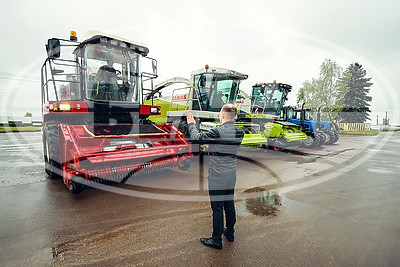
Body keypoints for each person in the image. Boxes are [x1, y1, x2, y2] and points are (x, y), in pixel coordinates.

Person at [186, 104, 244, 250]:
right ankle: (230, 233)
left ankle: (216, 240)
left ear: (223, 115)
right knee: (229, 203)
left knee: (217, 207)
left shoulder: (217, 131)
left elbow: (195, 138)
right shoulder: (240, 132)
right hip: (231, 174)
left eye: (219, 113)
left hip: (217, 175)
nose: (219, 115)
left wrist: (191, 124)